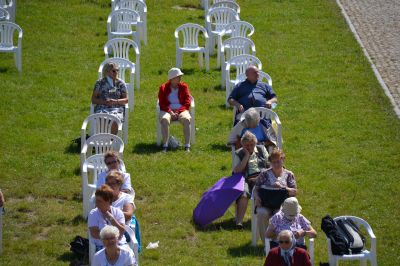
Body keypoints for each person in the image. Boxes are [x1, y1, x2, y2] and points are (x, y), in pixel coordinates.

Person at [254, 149, 297, 243]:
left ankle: (278, 242)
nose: (276, 164)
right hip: (266, 204)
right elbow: (256, 189)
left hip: (282, 205)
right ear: (270, 162)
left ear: (283, 160)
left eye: (278, 161)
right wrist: (257, 198)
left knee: (279, 214)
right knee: (261, 212)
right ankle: (266, 243)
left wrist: (283, 187)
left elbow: (294, 192)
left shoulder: (289, 174)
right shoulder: (264, 174)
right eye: (274, 162)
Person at [232, 131, 269, 228]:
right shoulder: (239, 153)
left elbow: (269, 164)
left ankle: (267, 219)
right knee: (243, 193)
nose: (249, 147)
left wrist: (261, 177)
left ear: (255, 143)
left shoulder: (261, 149)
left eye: (252, 144)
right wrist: (246, 156)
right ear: (243, 145)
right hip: (246, 179)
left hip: (262, 177)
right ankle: (239, 222)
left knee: (267, 190)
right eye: (246, 145)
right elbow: (236, 171)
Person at [158, 67, 192, 152]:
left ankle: (187, 145)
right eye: (178, 76)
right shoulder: (163, 88)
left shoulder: (184, 87)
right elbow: (162, 103)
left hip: (181, 109)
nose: (180, 78)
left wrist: (178, 112)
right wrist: (170, 112)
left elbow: (187, 102)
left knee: (187, 119)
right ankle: (165, 145)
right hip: (167, 110)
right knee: (164, 120)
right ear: (172, 78)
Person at [91, 62, 129, 134]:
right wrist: (104, 102)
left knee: (114, 121)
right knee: (102, 119)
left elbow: (126, 100)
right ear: (107, 72)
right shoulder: (99, 83)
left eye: (117, 70)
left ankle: (111, 142)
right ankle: (102, 143)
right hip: (102, 108)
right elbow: (93, 99)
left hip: (117, 109)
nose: (116, 72)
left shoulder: (120, 83)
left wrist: (115, 101)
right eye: (114, 71)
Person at [88, 185, 127, 251]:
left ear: (108, 201)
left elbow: (122, 231)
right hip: (101, 245)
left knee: (126, 256)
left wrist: (111, 218)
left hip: (120, 244)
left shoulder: (118, 212)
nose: (96, 203)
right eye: (96, 200)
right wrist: (110, 240)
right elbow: (94, 233)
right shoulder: (93, 213)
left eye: (99, 201)